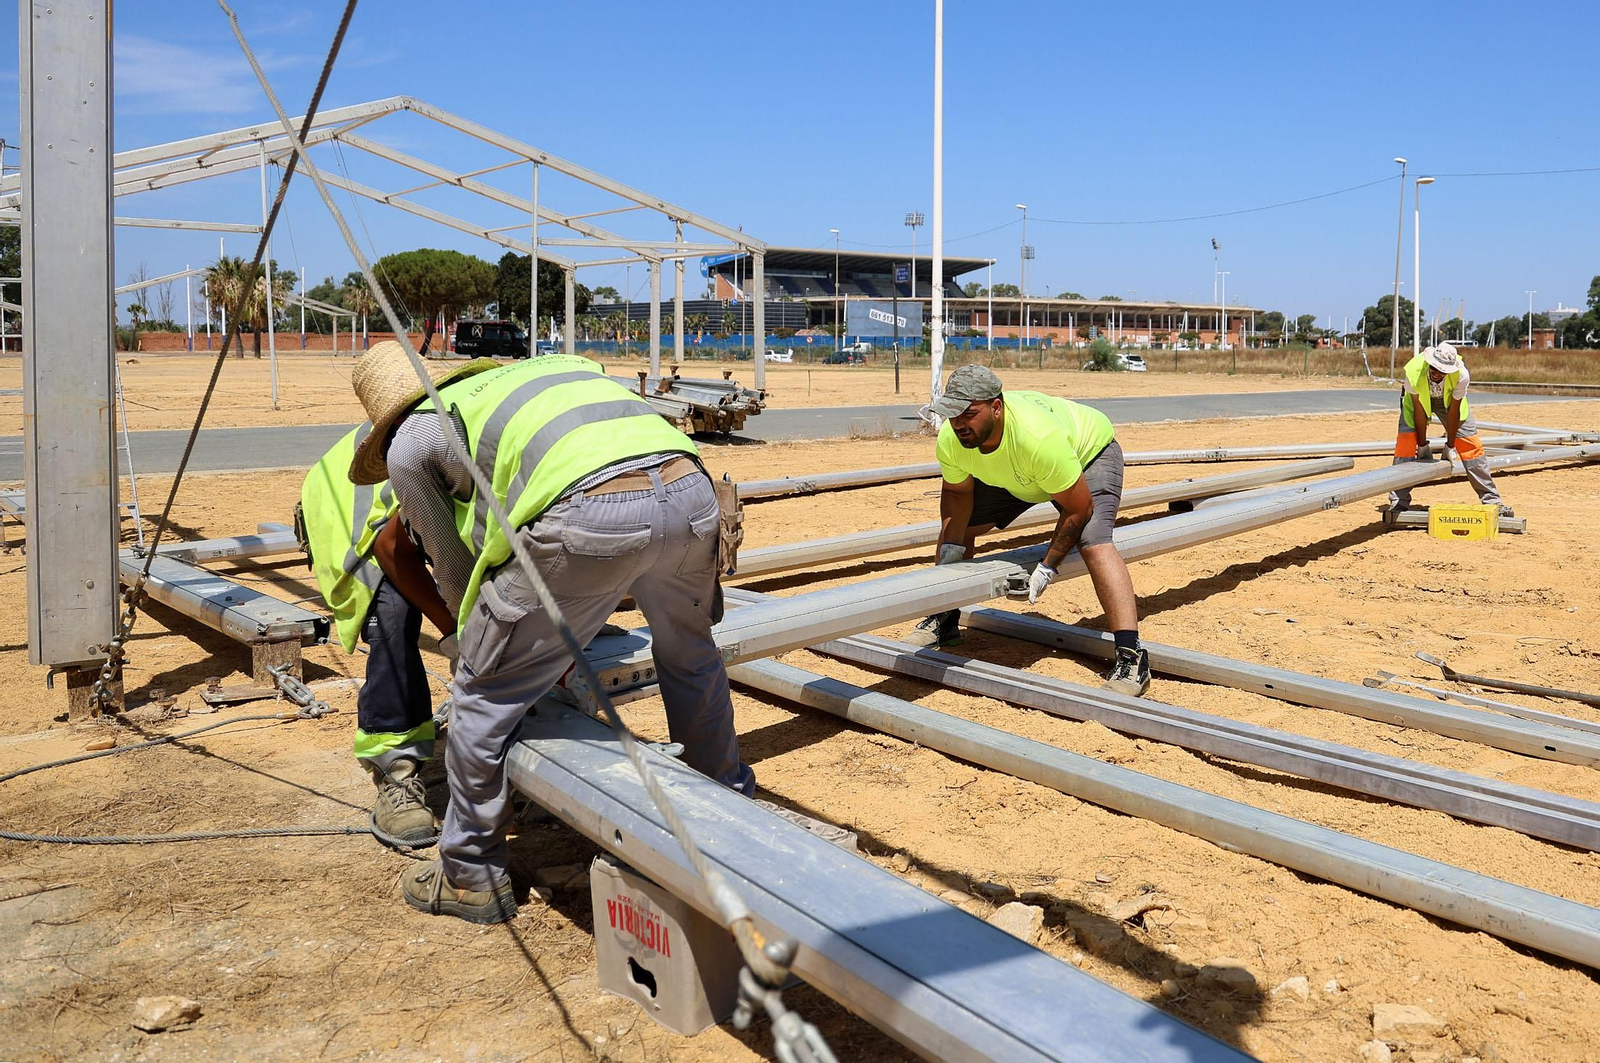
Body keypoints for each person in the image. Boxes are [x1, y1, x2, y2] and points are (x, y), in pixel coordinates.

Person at [348, 342, 754, 924]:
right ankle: (725, 799)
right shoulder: (540, 378)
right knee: (690, 652)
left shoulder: (411, 444)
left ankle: (469, 873)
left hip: (589, 508)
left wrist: (486, 650)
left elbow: (457, 567)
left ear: (382, 429)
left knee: (483, 694)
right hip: (691, 488)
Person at [298, 367, 489, 846]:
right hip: (357, 536)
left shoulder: (471, 425)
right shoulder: (415, 445)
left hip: (411, 515)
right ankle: (395, 766)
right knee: (393, 613)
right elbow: (393, 548)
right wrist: (453, 634)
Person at [914, 365, 1150, 696]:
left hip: (1085, 456)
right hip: (1019, 473)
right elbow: (956, 497)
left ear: (996, 407)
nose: (958, 424)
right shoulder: (954, 439)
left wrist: (1047, 566)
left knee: (1093, 541)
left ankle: (1131, 657)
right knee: (959, 527)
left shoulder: (1037, 437)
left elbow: (1080, 508)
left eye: (968, 413)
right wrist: (950, 557)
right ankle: (944, 620)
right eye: (952, 415)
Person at [1388, 342, 1509, 515]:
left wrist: (1450, 446)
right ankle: (1398, 501)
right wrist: (1422, 445)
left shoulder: (1461, 374)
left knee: (1471, 445)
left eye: (1443, 371)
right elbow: (1420, 411)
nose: (1438, 374)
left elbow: (1454, 411)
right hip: (1417, 405)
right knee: (1406, 445)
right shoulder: (1413, 372)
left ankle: (1492, 501)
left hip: (1449, 403)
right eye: (1435, 369)